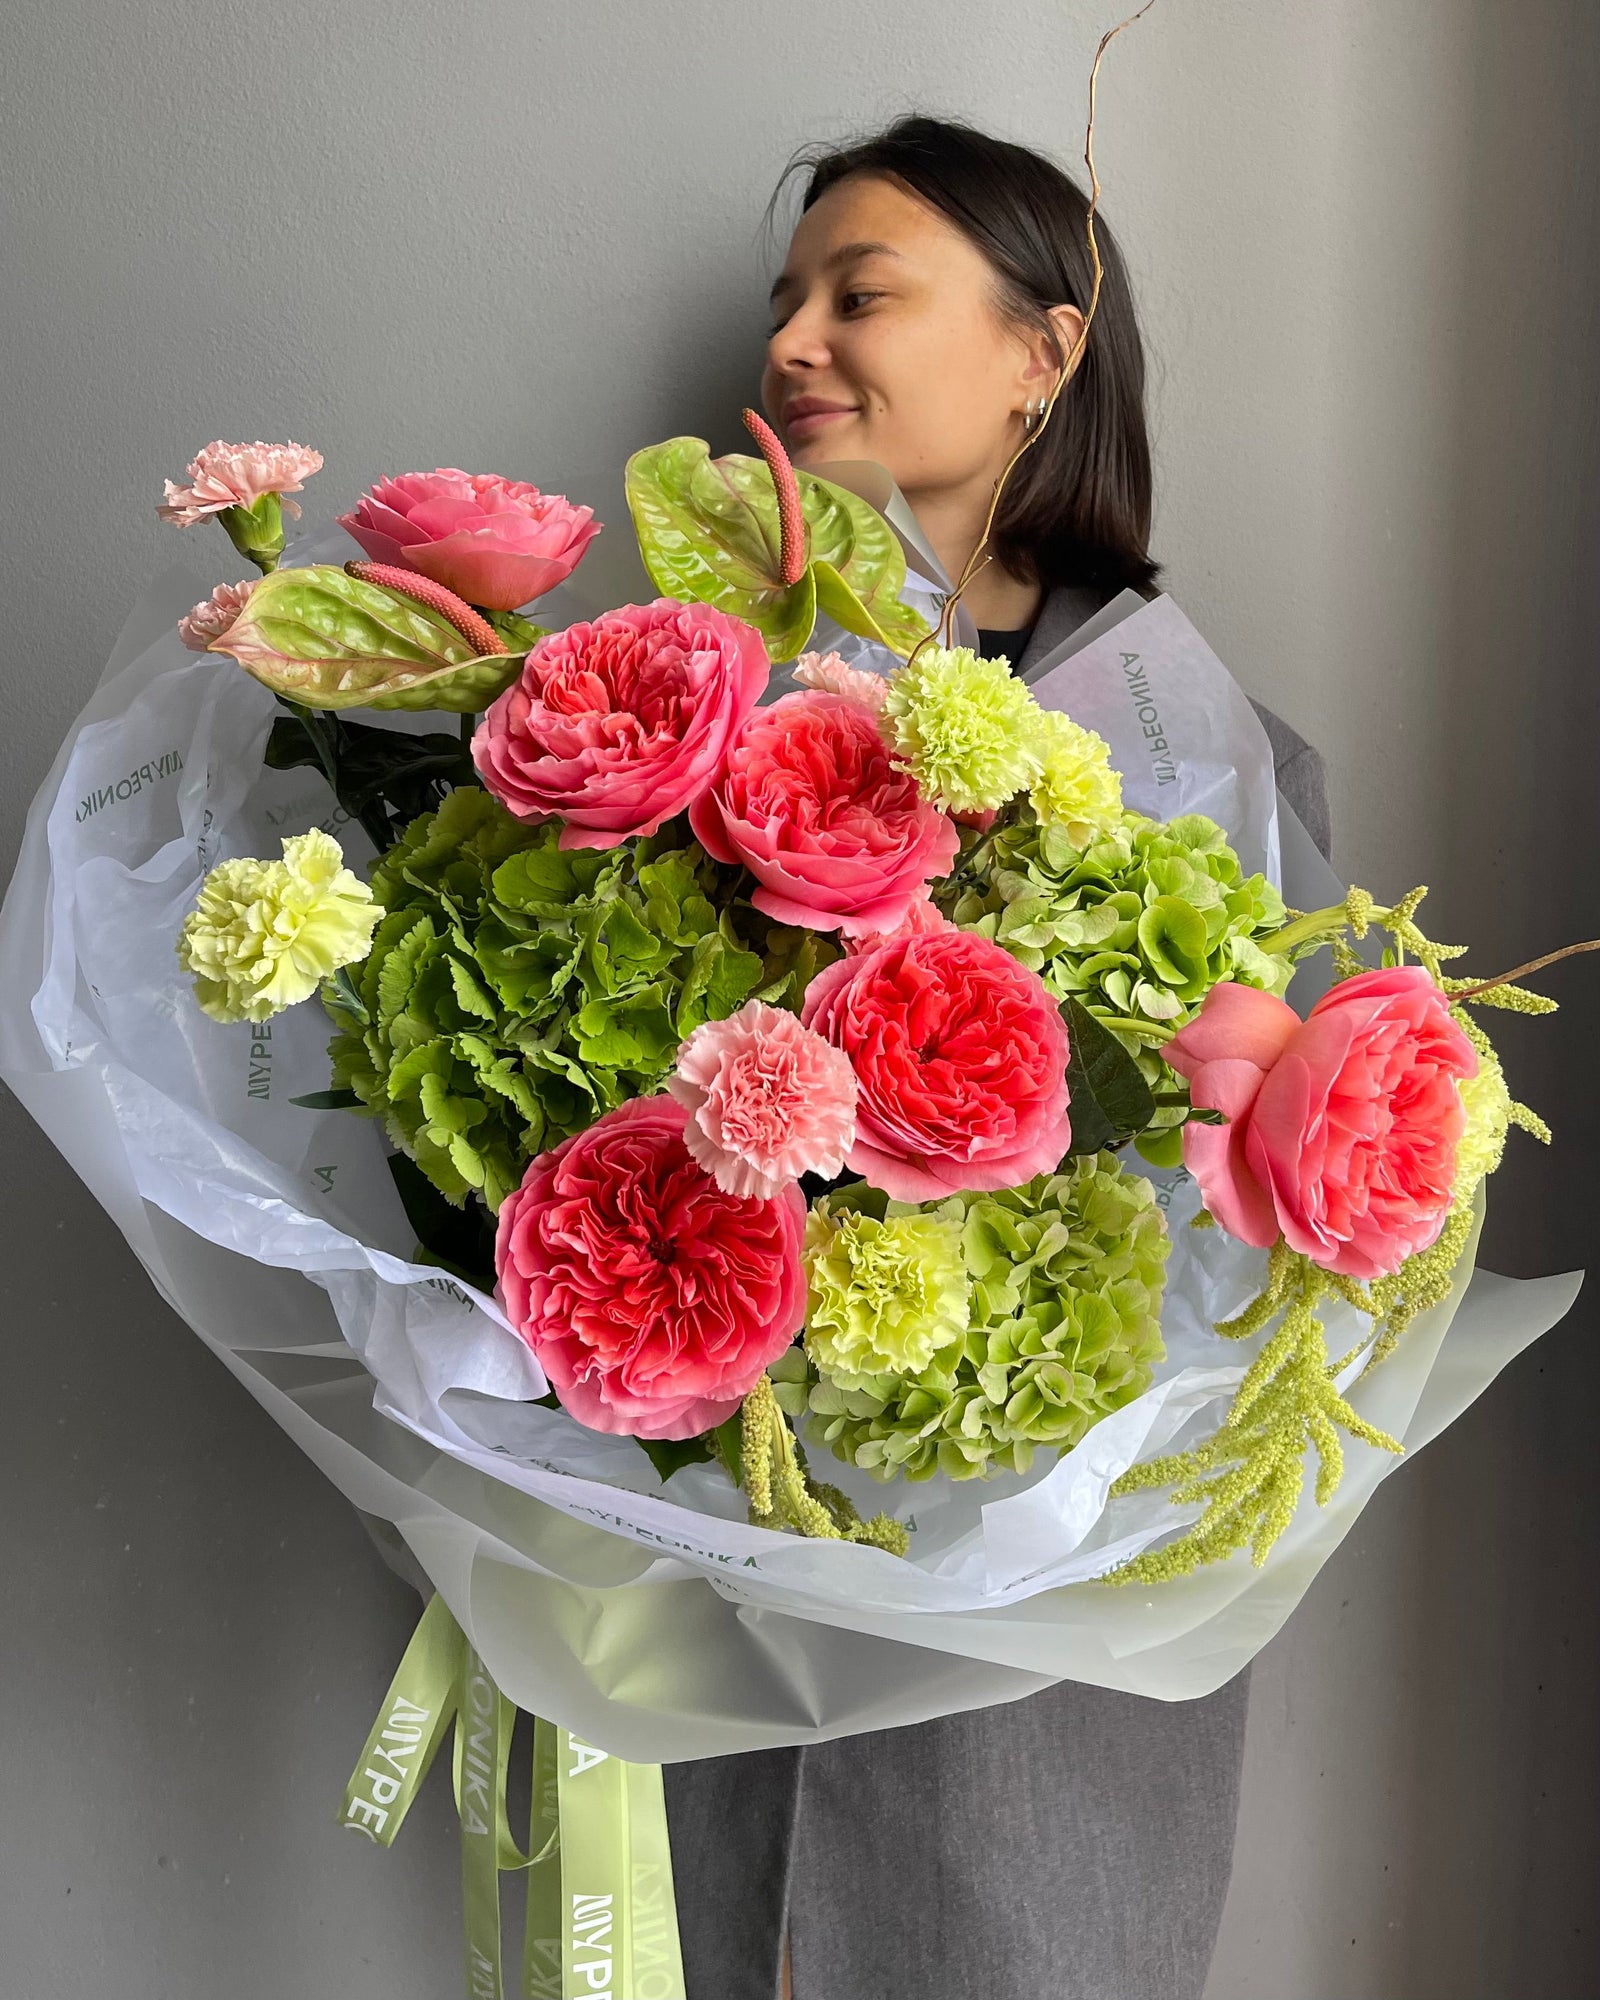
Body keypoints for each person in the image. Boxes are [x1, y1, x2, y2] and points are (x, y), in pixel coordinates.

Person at [660, 115, 1331, 2000]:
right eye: (784, 300)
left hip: (1054, 1653)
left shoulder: (1224, 776)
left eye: (858, 293)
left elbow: (1280, 1247)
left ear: (1045, 353)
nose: (793, 342)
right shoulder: (675, 735)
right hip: (729, 1597)